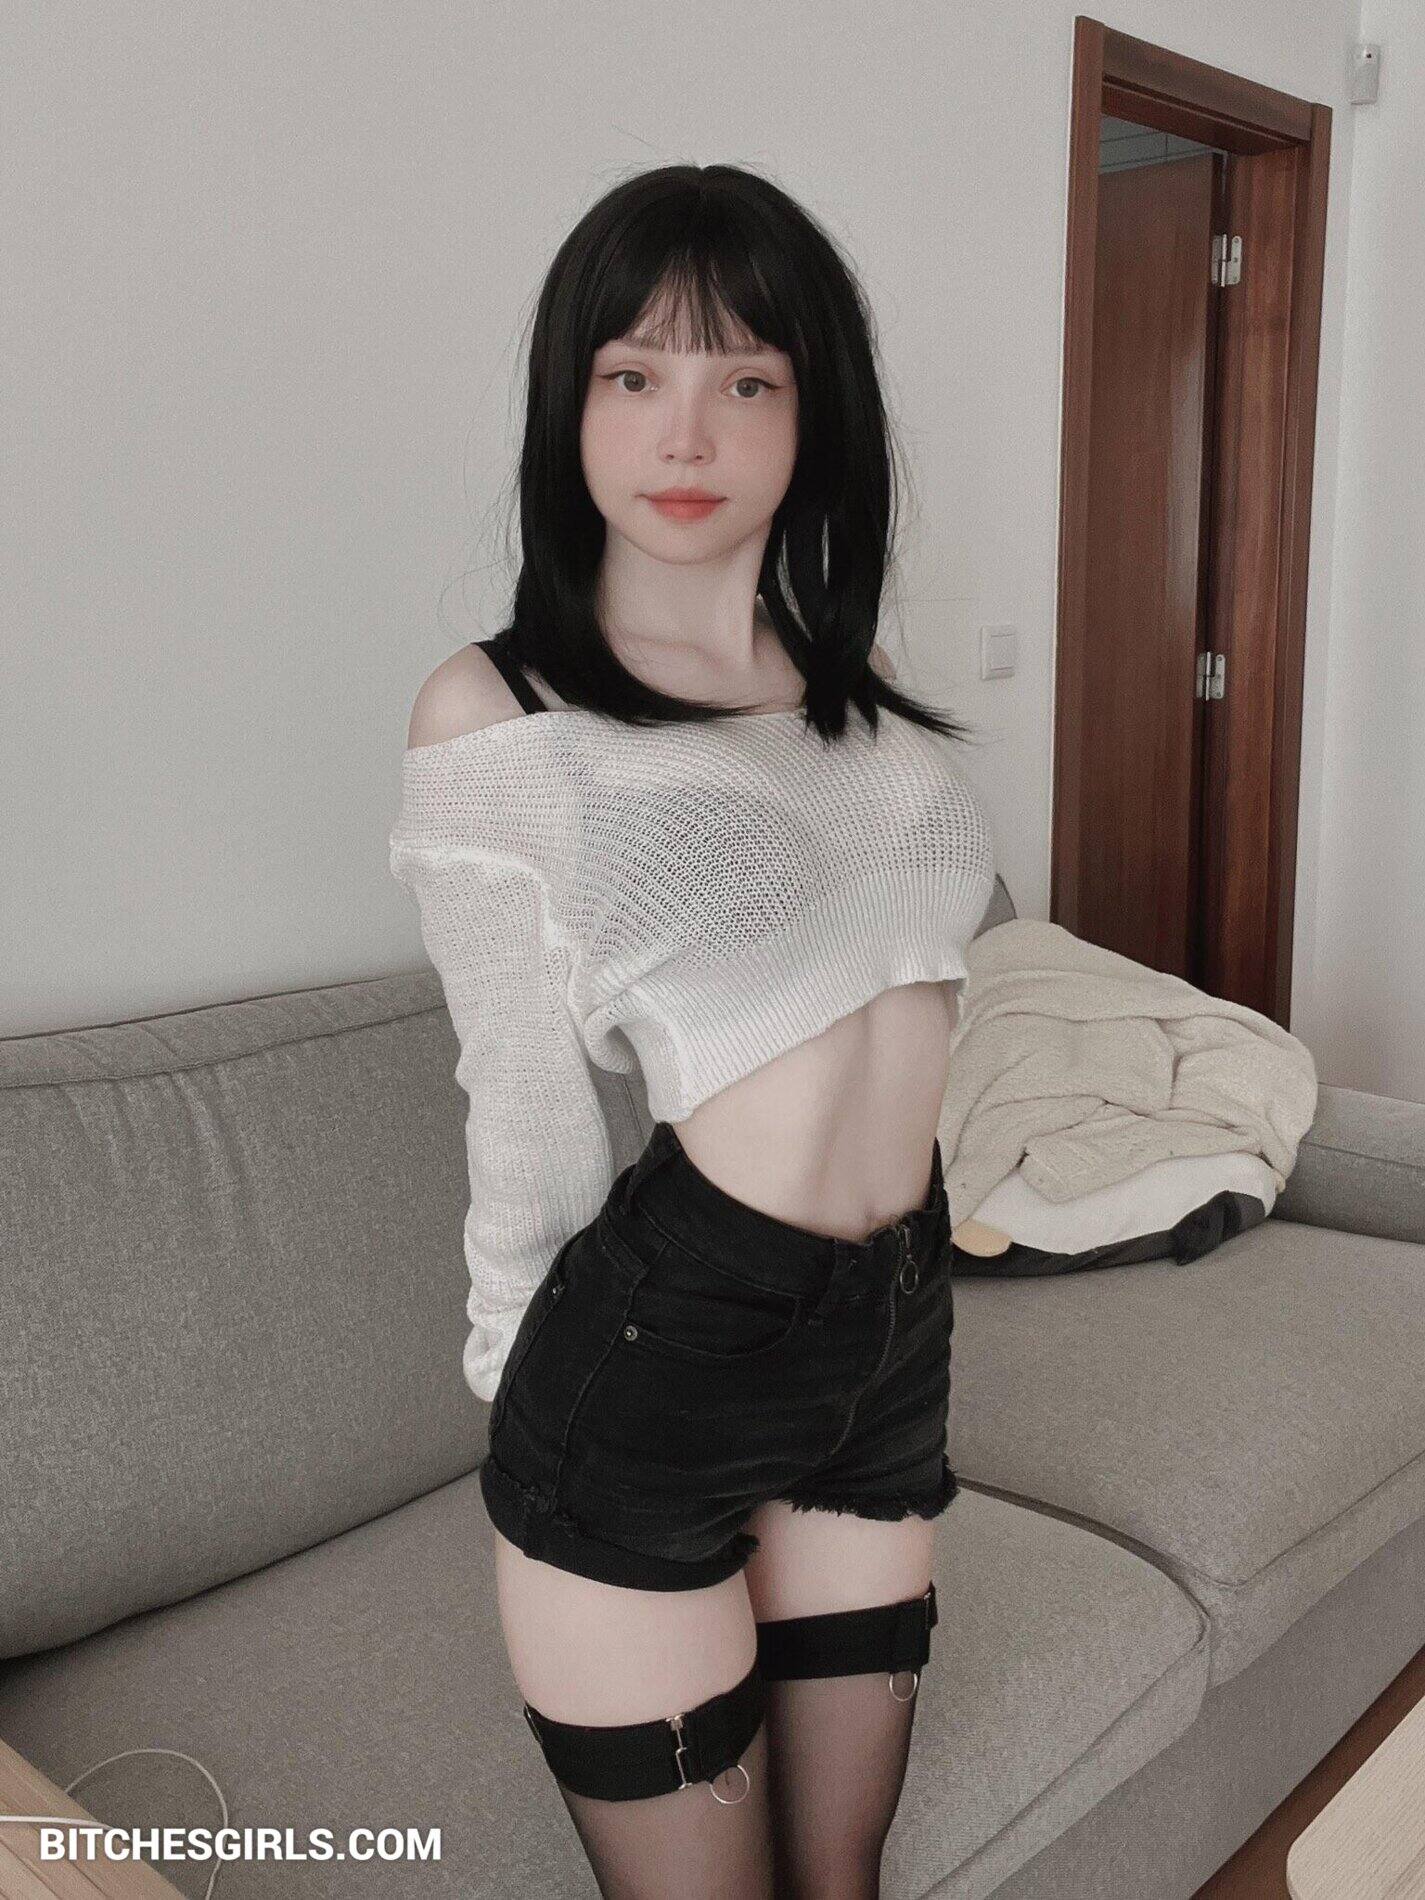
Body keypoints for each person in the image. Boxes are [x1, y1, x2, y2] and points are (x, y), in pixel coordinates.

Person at [390, 161, 996, 1899]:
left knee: (842, 1875)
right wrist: (529, 1398)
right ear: (568, 404)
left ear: (814, 416)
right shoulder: (500, 716)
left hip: (891, 1323)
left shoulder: (853, 705)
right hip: (662, 1354)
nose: (686, 432)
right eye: (632, 374)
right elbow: (521, 1103)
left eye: (748, 380)